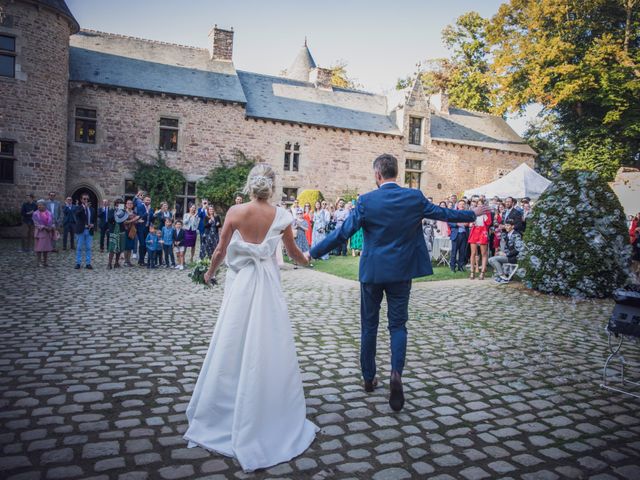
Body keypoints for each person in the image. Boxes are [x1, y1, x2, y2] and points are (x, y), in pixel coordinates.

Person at [306, 154, 484, 411]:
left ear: (377, 174)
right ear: (396, 173)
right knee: (398, 325)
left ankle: (369, 378)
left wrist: (312, 252)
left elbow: (342, 233)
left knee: (369, 326)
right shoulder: (414, 197)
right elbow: (443, 213)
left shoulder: (366, 201)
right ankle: (396, 374)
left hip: (373, 273)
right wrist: (471, 213)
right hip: (401, 272)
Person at [185, 163, 317, 472]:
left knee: (233, 338)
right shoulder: (282, 217)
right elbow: (295, 253)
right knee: (268, 341)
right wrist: (307, 260)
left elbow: (219, 251)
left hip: (242, 284)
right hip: (267, 286)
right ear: (272, 186)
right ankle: (268, 404)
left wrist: (208, 273)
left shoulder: (235, 212)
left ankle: (226, 407)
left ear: (250, 184)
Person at [488, 219, 523, 283]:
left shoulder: (517, 235)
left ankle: (502, 276)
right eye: (505, 225)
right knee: (490, 260)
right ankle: (501, 275)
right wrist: (502, 252)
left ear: (512, 226)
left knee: (492, 259)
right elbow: (506, 247)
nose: (506, 227)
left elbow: (518, 249)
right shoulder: (507, 234)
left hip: (514, 257)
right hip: (508, 256)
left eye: (508, 225)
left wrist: (506, 254)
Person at [468, 199, 492, 280]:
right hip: (475, 231)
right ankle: (472, 271)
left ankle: (482, 272)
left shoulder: (487, 213)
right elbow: (470, 223)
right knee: (473, 253)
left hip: (483, 231)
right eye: (478, 204)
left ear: (484, 205)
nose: (479, 206)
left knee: (483, 253)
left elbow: (489, 223)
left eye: (481, 204)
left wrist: (484, 215)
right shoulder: (474, 212)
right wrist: (472, 222)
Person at [32, 199, 56, 267]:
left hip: (47, 233)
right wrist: (44, 227)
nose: (39, 206)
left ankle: (45, 262)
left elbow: (53, 222)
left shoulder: (49, 213)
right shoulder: (35, 213)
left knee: (46, 248)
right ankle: (39, 262)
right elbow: (36, 223)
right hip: (40, 233)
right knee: (39, 249)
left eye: (41, 205)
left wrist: (51, 227)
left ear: (44, 206)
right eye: (38, 205)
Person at [448, 200, 470, 272]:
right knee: (454, 252)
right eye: (460, 204)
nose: (462, 205)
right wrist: (457, 224)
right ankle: (452, 267)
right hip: (456, 234)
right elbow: (450, 223)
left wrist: (467, 223)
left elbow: (469, 223)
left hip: (464, 234)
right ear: (457, 205)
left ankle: (460, 267)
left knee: (462, 252)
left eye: (463, 204)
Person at [74, 193, 95, 270]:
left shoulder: (92, 209)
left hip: (89, 231)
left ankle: (88, 263)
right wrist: (84, 207)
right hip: (81, 230)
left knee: (88, 248)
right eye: (84, 199)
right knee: (79, 247)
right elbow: (77, 214)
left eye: (87, 199)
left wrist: (92, 224)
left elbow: (93, 219)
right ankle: (78, 263)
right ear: (81, 200)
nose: (86, 200)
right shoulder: (78, 208)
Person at [108, 198, 127, 269]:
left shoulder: (123, 211)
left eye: (121, 203)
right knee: (112, 248)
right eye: (118, 203)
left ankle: (116, 263)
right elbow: (109, 219)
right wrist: (116, 214)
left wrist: (123, 212)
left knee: (120, 247)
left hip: (121, 231)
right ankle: (109, 263)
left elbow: (125, 219)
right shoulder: (112, 210)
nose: (119, 204)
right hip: (113, 231)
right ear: (115, 204)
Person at [136, 196, 154, 266]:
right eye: (147, 200)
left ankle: (141, 260)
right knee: (142, 244)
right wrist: (147, 212)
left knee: (147, 244)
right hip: (140, 228)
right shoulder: (140, 207)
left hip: (147, 228)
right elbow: (141, 216)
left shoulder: (151, 208)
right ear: (143, 200)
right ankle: (141, 260)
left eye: (149, 200)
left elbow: (152, 218)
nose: (148, 201)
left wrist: (154, 215)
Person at [122, 199, 140, 267]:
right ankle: (125, 261)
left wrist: (138, 221)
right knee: (126, 247)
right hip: (126, 230)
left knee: (130, 247)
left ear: (132, 205)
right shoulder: (124, 212)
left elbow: (135, 222)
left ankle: (128, 261)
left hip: (132, 231)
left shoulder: (134, 212)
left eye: (131, 203)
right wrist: (134, 219)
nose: (129, 204)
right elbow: (124, 222)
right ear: (126, 204)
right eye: (128, 203)